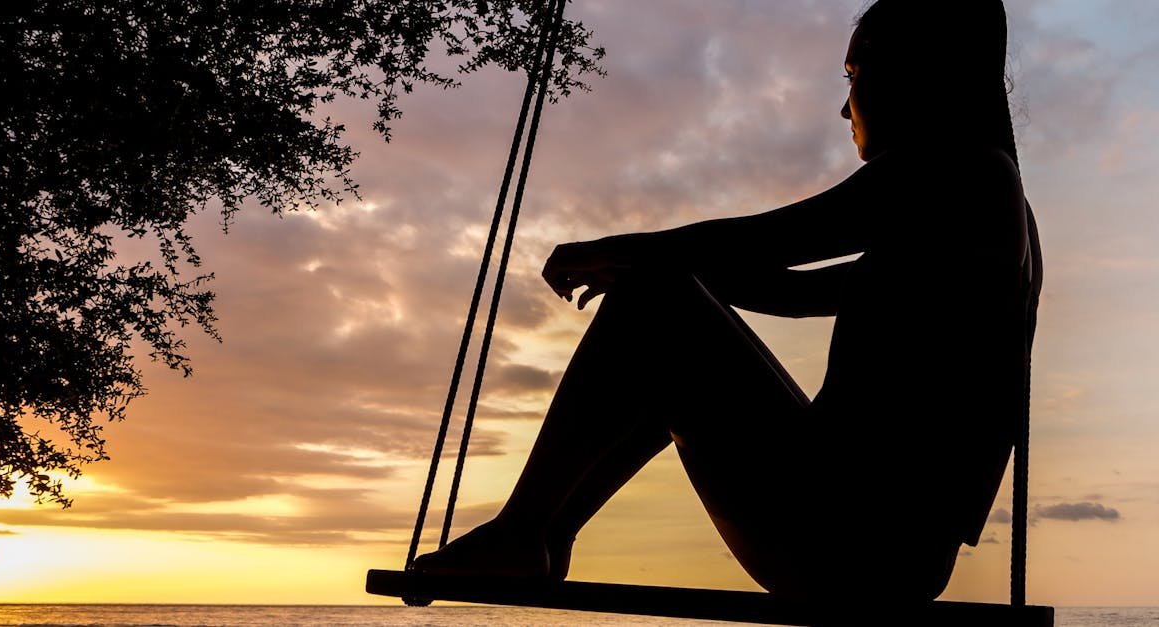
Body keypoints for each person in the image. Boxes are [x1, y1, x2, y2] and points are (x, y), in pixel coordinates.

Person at [412, 0, 1042, 602]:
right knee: (661, 307)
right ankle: (545, 535)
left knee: (657, 299)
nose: (844, 109)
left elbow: (782, 238)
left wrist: (624, 254)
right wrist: (657, 279)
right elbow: (796, 292)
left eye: (854, 74)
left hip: (850, 541)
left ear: (914, 72)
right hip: (886, 551)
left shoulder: (960, 173)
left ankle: (525, 530)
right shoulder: (978, 205)